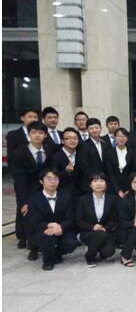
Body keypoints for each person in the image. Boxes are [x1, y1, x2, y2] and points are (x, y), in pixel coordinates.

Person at [11, 120, 53, 258]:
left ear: (45, 135)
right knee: (29, 217)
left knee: (45, 216)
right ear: (29, 135)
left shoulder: (49, 150)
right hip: (27, 190)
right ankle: (32, 247)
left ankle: (44, 242)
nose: (37, 135)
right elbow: (19, 179)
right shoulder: (19, 153)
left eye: (40, 132)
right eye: (34, 132)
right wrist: (24, 201)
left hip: (45, 189)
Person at [26, 169, 79, 271]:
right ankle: (47, 261)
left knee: (72, 242)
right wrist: (49, 225)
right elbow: (33, 222)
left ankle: (56, 253)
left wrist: (61, 227)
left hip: (60, 230)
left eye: (56, 179)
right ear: (41, 181)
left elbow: (71, 218)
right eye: (49, 179)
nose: (53, 182)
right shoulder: (33, 199)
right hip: (42, 231)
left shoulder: (67, 197)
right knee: (47, 239)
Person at [7, 108, 40, 249]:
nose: (33, 119)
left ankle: (34, 234)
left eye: (35, 117)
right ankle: (22, 236)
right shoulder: (14, 135)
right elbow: (11, 158)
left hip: (38, 180)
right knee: (22, 206)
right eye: (30, 116)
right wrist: (17, 177)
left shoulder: (41, 133)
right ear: (22, 118)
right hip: (22, 178)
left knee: (35, 208)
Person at [75, 173, 118, 267]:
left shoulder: (112, 199)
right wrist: (92, 227)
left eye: (101, 181)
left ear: (106, 184)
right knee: (100, 234)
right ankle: (89, 256)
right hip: (88, 232)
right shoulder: (83, 200)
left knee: (108, 252)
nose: (98, 183)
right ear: (90, 185)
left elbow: (114, 219)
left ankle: (92, 247)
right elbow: (79, 221)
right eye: (95, 181)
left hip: (105, 231)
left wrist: (105, 228)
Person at [77, 118, 110, 192]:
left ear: (101, 128)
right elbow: (85, 166)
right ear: (87, 130)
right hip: (90, 183)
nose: (94, 130)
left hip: (105, 183)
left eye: (96, 128)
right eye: (91, 128)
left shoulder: (105, 144)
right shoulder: (83, 145)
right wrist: (97, 179)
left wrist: (104, 180)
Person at [51, 127, 82, 197]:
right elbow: (53, 177)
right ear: (62, 141)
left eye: (75, 138)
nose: (72, 140)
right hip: (62, 193)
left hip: (80, 193)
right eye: (68, 138)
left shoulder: (81, 154)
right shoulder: (56, 157)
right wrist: (66, 171)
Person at [106, 128, 135, 198]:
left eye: (124, 136)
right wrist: (118, 190)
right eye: (119, 136)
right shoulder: (109, 153)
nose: (121, 139)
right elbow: (110, 173)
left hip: (129, 188)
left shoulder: (132, 152)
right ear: (115, 137)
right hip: (113, 188)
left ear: (127, 138)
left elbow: (134, 171)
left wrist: (130, 189)